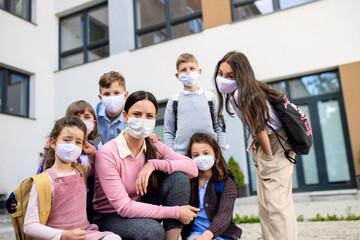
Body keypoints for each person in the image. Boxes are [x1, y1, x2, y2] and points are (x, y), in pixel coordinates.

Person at [92, 91, 200, 240]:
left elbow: (192, 168)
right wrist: (176, 212)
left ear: (155, 119)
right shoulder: (107, 153)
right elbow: (124, 208)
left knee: (179, 178)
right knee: (152, 231)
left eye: (149, 116)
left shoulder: (153, 145)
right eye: (137, 114)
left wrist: (154, 164)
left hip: (140, 204)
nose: (143, 120)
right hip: (109, 216)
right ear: (125, 116)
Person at [214, 51, 297, 240]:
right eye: (220, 73)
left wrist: (268, 156)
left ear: (241, 76)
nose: (222, 79)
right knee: (268, 203)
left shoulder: (243, 93)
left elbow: (260, 129)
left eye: (229, 76)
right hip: (266, 143)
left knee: (276, 205)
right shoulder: (238, 93)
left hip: (273, 144)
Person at [23, 116, 121, 240]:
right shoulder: (44, 181)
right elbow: (29, 226)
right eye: (67, 140)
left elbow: (95, 164)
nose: (72, 146)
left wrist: (91, 152)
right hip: (57, 236)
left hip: (85, 233)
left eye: (78, 142)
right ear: (53, 143)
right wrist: (63, 235)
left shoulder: (80, 171)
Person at [6, 100, 99, 215]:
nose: (81, 121)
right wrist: (17, 198)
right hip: (57, 208)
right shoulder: (56, 151)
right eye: (76, 117)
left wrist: (93, 153)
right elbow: (40, 178)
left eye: (86, 117)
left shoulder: (96, 152)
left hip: (87, 209)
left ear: (94, 123)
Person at [182, 133, 242, 240]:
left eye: (206, 153)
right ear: (190, 157)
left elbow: (225, 214)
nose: (201, 158)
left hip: (223, 233)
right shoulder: (187, 181)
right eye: (196, 155)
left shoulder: (226, 182)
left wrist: (206, 236)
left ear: (215, 154)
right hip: (195, 233)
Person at [164, 53, 225, 155]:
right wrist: (172, 155)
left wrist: (220, 152)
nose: (188, 72)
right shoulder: (174, 100)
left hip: (209, 155)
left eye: (192, 68)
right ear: (177, 75)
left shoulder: (210, 98)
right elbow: (168, 132)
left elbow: (220, 127)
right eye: (183, 70)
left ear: (199, 71)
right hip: (182, 156)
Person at [95, 71, 129, 145]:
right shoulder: (93, 113)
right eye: (106, 94)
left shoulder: (131, 114)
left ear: (125, 95)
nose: (112, 97)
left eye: (116, 93)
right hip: (104, 151)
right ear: (101, 98)